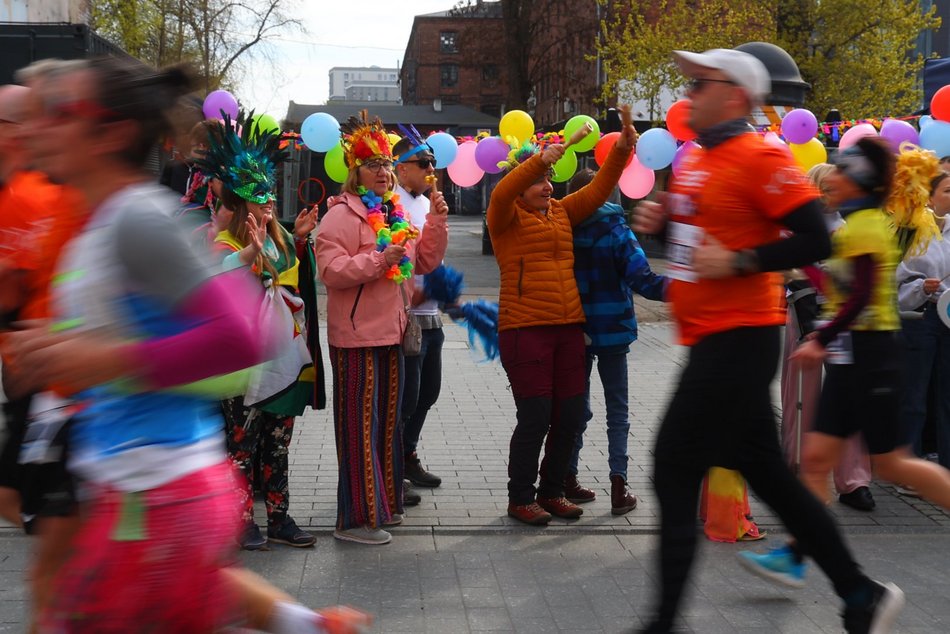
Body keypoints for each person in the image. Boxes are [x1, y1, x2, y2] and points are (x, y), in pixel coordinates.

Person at [8, 56, 367, 633]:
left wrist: (94, 358)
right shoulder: (96, 219)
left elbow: (242, 338)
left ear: (112, 134)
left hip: (155, 499)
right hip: (133, 495)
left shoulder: (137, 219)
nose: (39, 125)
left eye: (59, 112)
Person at [633, 48, 904, 633]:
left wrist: (742, 259)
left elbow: (816, 239)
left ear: (735, 94)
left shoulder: (763, 155)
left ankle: (661, 624)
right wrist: (663, 224)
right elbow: (695, 234)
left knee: (672, 466)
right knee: (773, 478)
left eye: (701, 83)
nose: (689, 94)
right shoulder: (698, 159)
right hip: (710, 337)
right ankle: (860, 594)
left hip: (741, 338)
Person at [486, 117, 636, 526]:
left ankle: (552, 491)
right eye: (540, 179)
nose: (548, 185)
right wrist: (537, 161)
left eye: (550, 178)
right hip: (524, 330)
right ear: (523, 181)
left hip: (569, 328)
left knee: (570, 416)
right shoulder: (504, 216)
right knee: (535, 416)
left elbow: (599, 190)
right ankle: (521, 497)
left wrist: (621, 150)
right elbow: (502, 191)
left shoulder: (561, 213)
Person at [316, 111, 448, 545]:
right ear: (356, 172)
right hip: (354, 338)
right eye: (374, 165)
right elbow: (331, 271)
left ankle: (384, 508)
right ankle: (356, 521)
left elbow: (424, 263)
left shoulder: (394, 214)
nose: (385, 172)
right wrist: (379, 259)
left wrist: (437, 223)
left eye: (388, 165)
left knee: (387, 427)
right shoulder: (340, 216)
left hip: (393, 333)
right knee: (359, 428)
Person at [197, 111, 320, 551]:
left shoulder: (281, 237)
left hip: (283, 360)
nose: (268, 201)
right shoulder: (227, 243)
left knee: (278, 443)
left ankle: (280, 519)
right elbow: (218, 280)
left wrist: (299, 239)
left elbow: (294, 284)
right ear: (240, 199)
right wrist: (249, 250)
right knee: (242, 445)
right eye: (258, 194)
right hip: (243, 363)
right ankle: (241, 520)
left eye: (270, 192)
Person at [0, 70, 89, 630]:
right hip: (35, 392)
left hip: (69, 400)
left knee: (54, 570)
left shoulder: (53, 196)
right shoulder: (21, 194)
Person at [563, 167, 666, 515]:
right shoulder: (617, 230)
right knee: (617, 411)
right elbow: (644, 280)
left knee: (577, 407)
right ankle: (619, 485)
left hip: (574, 331)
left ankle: (568, 477)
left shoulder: (563, 227)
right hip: (615, 329)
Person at [780, 162, 875, 511]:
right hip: (803, 316)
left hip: (841, 320)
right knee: (800, 396)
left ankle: (853, 480)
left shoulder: (850, 229)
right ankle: (798, 467)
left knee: (847, 396)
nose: (829, 194)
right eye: (825, 187)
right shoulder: (795, 230)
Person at [393, 132, 444, 490]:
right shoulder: (388, 203)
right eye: (423, 163)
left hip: (432, 312)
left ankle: (408, 454)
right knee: (406, 397)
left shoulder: (429, 203)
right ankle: (393, 464)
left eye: (433, 163)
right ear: (401, 168)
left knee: (428, 393)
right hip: (405, 316)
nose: (430, 170)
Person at [896, 170, 950, 469]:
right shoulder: (911, 230)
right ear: (929, 197)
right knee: (914, 396)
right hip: (920, 318)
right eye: (947, 191)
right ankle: (909, 466)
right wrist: (921, 287)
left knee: (946, 397)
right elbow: (895, 280)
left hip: (949, 320)